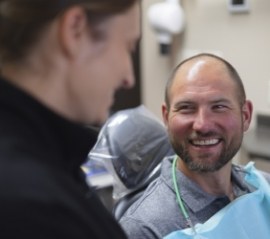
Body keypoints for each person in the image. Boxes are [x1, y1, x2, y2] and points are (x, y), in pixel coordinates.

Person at [0, 0, 140, 238]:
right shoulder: (33, 207)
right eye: (128, 46)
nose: (129, 78)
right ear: (75, 29)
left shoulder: (43, 165)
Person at [119, 53, 270, 238]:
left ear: (245, 116)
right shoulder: (144, 228)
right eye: (186, 108)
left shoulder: (264, 189)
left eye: (219, 107)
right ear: (167, 118)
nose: (202, 125)